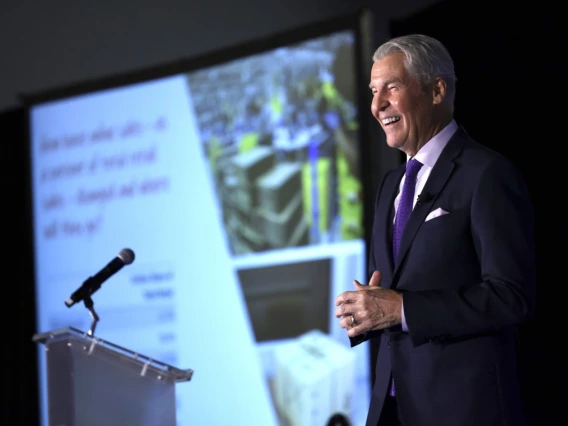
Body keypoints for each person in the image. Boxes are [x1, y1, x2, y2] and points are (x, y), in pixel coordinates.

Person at [334, 34, 536, 426]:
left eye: (391, 88)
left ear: (436, 90)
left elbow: (511, 296)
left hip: (462, 409)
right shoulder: (390, 186)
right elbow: (391, 292)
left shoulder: (487, 174)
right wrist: (368, 310)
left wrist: (401, 309)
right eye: (374, 91)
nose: (377, 105)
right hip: (392, 406)